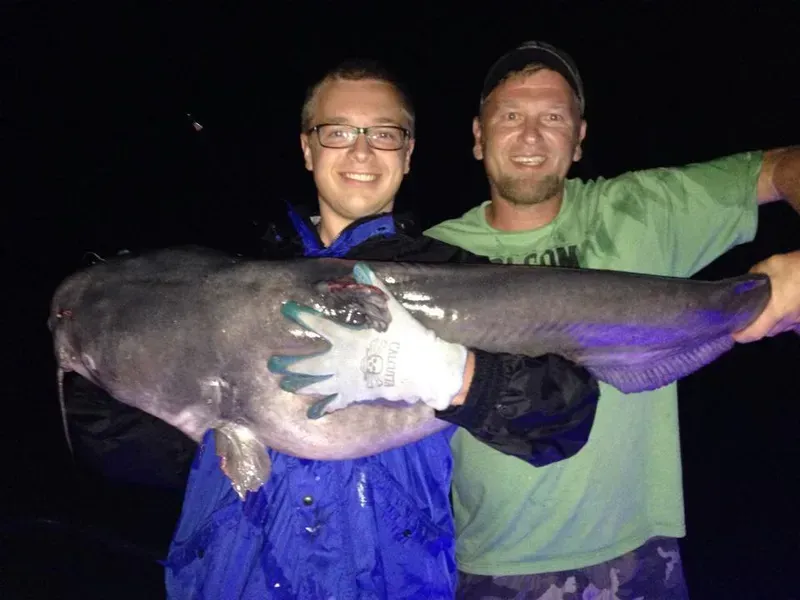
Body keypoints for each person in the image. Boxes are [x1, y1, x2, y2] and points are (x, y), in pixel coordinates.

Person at [163, 59, 601, 599]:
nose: (362, 151)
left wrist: (450, 374)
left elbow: (565, 417)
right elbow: (145, 455)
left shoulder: (457, 276)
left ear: (408, 153)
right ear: (308, 148)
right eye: (340, 131)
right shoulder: (227, 279)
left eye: (384, 134)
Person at [418, 41, 799, 598]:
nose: (530, 136)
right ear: (478, 137)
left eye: (553, 117)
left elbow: (780, 166)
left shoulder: (642, 209)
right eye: (510, 116)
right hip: (488, 561)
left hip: (637, 558)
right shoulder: (426, 258)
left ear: (579, 139)